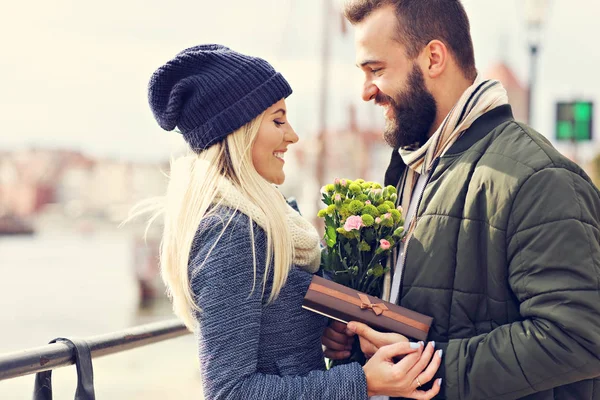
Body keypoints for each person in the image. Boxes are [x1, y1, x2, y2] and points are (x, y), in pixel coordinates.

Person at [323, 1, 600, 399]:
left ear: (434, 58)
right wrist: (356, 338)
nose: (367, 91)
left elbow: (579, 337)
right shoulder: (411, 169)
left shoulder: (538, 178)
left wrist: (425, 367)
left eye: (376, 70)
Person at [143, 44, 443, 399]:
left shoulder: (274, 219)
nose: (293, 135)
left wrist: (331, 326)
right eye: (278, 120)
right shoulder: (229, 234)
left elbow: (280, 326)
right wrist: (364, 382)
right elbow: (229, 392)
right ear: (240, 132)